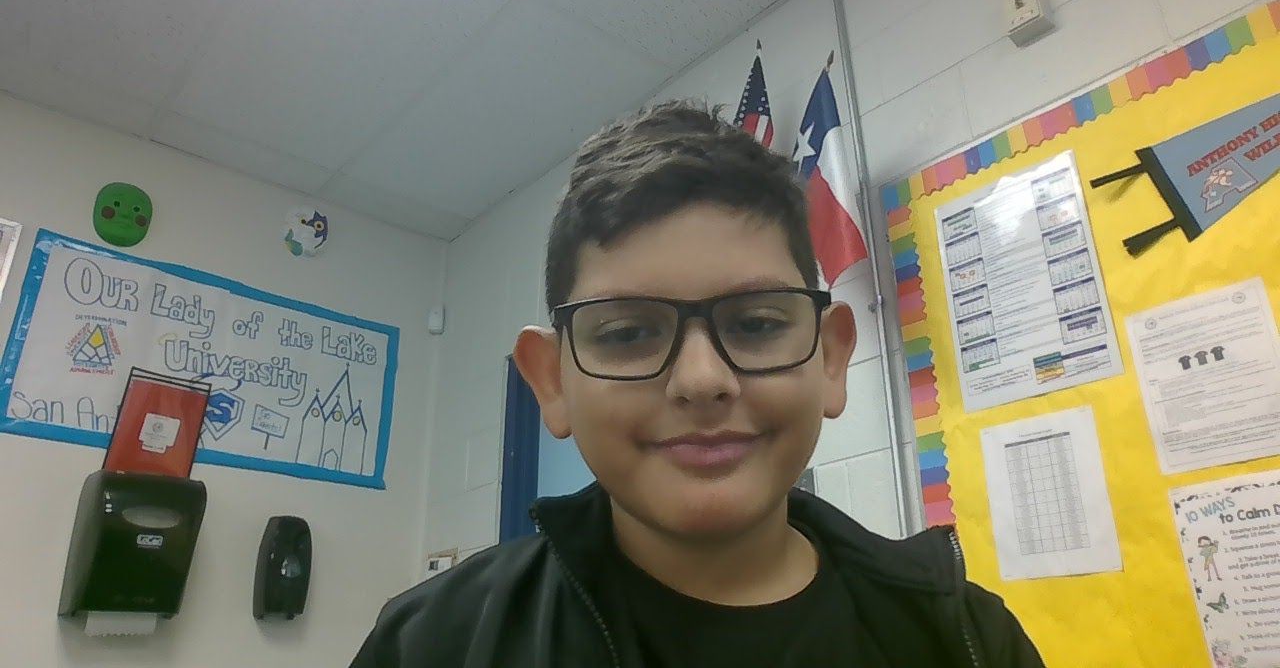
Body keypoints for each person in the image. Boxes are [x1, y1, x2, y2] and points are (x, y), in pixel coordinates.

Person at [350, 101, 1044, 667]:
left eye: (757, 322)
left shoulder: (967, 640)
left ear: (830, 359)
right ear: (552, 381)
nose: (703, 379)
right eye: (627, 333)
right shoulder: (430, 644)